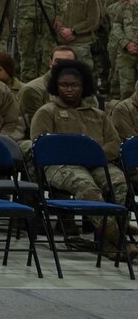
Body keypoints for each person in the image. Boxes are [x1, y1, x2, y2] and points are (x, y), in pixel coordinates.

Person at [29, 60, 133, 262]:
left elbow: (114, 143)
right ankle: (119, 242)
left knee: (120, 183)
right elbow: (40, 146)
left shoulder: (99, 115)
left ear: (84, 87)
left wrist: (93, 154)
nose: (69, 89)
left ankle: (106, 242)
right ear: (55, 87)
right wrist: (77, 154)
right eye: (63, 85)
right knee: (87, 187)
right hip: (60, 165)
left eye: (74, 85)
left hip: (97, 163)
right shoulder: (46, 112)